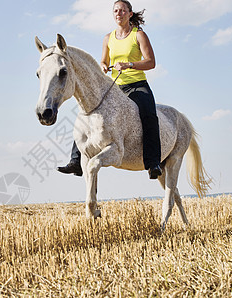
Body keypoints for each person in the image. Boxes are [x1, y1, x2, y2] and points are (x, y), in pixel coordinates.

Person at [57, 0, 163, 179]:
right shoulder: (108, 37)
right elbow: (103, 61)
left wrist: (129, 64)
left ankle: (153, 163)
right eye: (115, 11)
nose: (118, 14)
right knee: (86, 111)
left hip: (137, 86)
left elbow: (151, 62)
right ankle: (76, 161)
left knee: (149, 115)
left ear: (130, 14)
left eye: (122, 11)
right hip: (114, 87)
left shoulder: (139, 35)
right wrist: (104, 66)